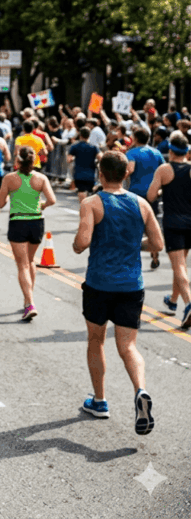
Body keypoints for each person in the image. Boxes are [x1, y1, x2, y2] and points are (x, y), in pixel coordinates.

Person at [72, 151, 161, 434]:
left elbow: (81, 243)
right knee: (128, 346)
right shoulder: (142, 204)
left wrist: (79, 241)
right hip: (131, 285)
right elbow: (157, 244)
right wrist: (134, 245)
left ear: (100, 173)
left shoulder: (91, 203)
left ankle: (99, 401)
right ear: (126, 174)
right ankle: (140, 390)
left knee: (96, 340)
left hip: (99, 283)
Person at [0, 146, 56, 321]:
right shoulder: (41, 178)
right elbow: (52, 200)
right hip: (37, 222)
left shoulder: (10, 178)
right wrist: (42, 205)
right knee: (30, 261)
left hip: (18, 222)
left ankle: (30, 303)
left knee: (22, 265)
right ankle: (27, 299)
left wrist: (9, 194)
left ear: (17, 160)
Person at [146, 133, 191, 327]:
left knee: (178, 265)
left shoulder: (164, 169)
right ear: (187, 152)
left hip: (173, 222)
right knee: (180, 264)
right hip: (190, 222)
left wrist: (164, 189)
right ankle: (173, 300)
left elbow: (150, 195)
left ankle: (188, 303)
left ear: (171, 151)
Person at [125, 128, 165, 269]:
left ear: (135, 138)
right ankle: (154, 254)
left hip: (135, 194)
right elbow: (163, 169)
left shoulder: (132, 153)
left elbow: (130, 169)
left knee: (134, 225)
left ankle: (132, 257)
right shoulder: (156, 152)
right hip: (153, 193)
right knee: (151, 224)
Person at [68, 128, 100, 202]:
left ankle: (83, 207)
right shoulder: (94, 147)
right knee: (90, 193)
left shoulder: (75, 146)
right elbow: (101, 157)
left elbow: (69, 159)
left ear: (80, 135)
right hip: (91, 174)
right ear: (89, 135)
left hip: (79, 174)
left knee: (81, 191)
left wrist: (75, 158)